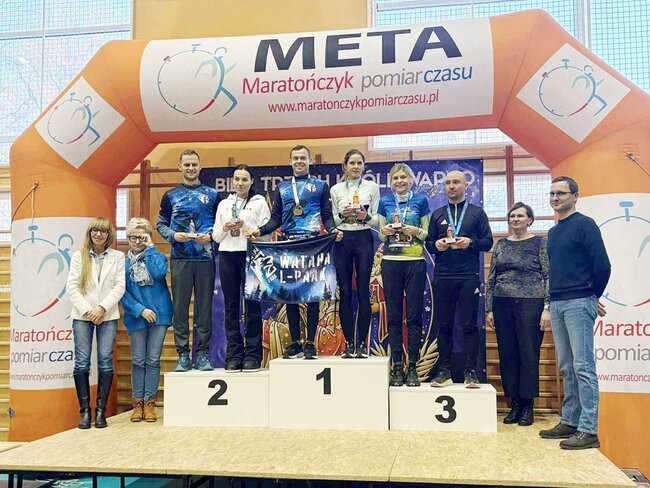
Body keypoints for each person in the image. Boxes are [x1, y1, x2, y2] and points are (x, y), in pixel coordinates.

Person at [248, 145, 343, 360]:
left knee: (313, 294)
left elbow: (327, 216)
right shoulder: (282, 188)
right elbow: (276, 219)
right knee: (290, 295)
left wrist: (332, 230)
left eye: (303, 158)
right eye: (296, 158)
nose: (299, 161)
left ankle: (310, 343)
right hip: (289, 246)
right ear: (290, 161)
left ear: (310, 161)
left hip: (313, 245)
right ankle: (295, 343)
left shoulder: (320, 186)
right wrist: (259, 231)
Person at [539, 176, 610, 450]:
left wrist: (591, 295)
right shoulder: (554, 232)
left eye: (561, 193)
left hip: (579, 302)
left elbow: (602, 266)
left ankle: (589, 429)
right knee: (567, 367)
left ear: (575, 196)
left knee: (583, 367)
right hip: (558, 304)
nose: (555, 198)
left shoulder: (585, 225)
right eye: (552, 193)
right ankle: (570, 421)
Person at [426, 170, 493, 389]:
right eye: (447, 183)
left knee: (469, 325)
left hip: (468, 277)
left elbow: (488, 242)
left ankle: (470, 371)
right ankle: (444, 370)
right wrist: (436, 245)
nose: (451, 186)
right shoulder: (437, 214)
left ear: (466, 186)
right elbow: (428, 243)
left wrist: (470, 243)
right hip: (443, 276)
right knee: (444, 325)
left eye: (456, 182)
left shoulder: (477, 213)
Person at [485, 202, 550, 426]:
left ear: (529, 219)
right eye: (512, 216)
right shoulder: (501, 244)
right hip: (502, 304)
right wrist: (489, 308)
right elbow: (492, 278)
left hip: (531, 303)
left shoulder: (540, 243)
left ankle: (527, 405)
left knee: (528, 353)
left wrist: (547, 307)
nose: (515, 219)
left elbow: (548, 275)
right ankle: (514, 403)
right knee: (508, 354)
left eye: (520, 216)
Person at [157, 149, 220, 372]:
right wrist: (173, 235)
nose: (191, 168)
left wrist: (210, 236)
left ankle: (201, 354)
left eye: (194, 164)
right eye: (187, 165)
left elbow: (220, 225)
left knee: (204, 309)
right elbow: (160, 224)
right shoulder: (170, 196)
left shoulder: (213, 195)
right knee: (180, 308)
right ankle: (183, 355)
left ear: (200, 166)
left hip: (205, 259)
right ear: (180, 167)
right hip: (180, 259)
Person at [67, 217, 125, 429]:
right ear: (90, 233)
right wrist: (89, 310)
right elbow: (72, 287)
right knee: (81, 363)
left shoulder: (118, 256)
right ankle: (85, 411)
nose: (98, 234)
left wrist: (102, 308)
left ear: (109, 234)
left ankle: (101, 411)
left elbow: (119, 286)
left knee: (105, 362)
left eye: (103, 231)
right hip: (83, 315)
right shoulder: (78, 256)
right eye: (95, 230)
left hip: (107, 315)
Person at [213, 164, 271, 372]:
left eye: (244, 179)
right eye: (237, 179)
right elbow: (215, 236)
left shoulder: (259, 203)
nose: (240, 183)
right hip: (228, 256)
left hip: (251, 255)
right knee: (231, 306)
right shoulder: (224, 204)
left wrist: (247, 228)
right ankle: (234, 355)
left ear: (251, 181)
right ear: (233, 181)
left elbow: (267, 234)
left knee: (252, 305)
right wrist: (225, 227)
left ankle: (253, 355)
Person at [377, 163, 430, 387]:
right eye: (396, 178)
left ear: (411, 180)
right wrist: (386, 230)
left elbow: (427, 234)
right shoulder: (384, 202)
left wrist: (415, 231)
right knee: (395, 317)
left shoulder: (421, 201)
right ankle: (397, 367)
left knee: (415, 316)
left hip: (415, 262)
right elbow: (381, 236)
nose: (400, 181)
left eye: (403, 177)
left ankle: (413, 368)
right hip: (391, 262)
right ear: (391, 182)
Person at [121, 218, 173, 423]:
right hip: (136, 316)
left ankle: (150, 403)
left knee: (152, 360)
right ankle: (137, 403)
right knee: (137, 361)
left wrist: (150, 248)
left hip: (160, 314)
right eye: (133, 237)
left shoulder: (157, 256)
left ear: (148, 237)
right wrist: (140, 310)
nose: (137, 241)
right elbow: (121, 292)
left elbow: (159, 274)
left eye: (141, 237)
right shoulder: (122, 263)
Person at [330, 149, 380, 358]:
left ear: (364, 166)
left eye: (360, 163)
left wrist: (365, 216)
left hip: (363, 238)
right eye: (352, 163)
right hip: (343, 239)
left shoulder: (372, 187)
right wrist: (343, 215)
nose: (356, 167)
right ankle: (349, 343)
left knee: (362, 291)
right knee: (345, 292)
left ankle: (361, 343)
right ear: (345, 166)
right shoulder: (336, 189)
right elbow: (332, 220)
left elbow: (377, 219)